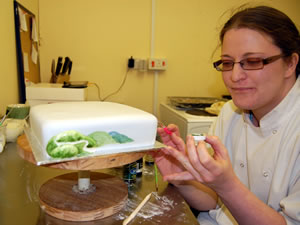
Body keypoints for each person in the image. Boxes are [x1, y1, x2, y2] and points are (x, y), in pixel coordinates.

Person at [153, 5, 300, 225]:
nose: (235, 76)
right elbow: (212, 201)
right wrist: (182, 176)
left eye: (252, 62)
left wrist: (227, 186)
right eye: (228, 63)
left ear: (290, 64)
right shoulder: (229, 112)